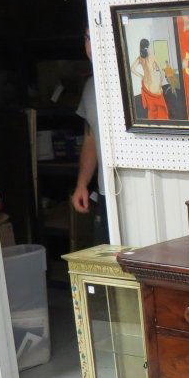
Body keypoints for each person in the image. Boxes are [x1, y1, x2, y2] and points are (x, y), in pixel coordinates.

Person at [72, 26, 109, 245]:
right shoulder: (90, 87)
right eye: (87, 38)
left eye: (95, 37)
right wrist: (82, 184)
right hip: (105, 193)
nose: (91, 46)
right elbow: (90, 137)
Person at [131, 38, 169, 119]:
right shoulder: (151, 57)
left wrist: (141, 76)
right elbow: (162, 72)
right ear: (147, 47)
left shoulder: (140, 58)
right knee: (161, 108)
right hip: (153, 84)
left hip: (145, 85)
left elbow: (132, 68)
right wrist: (160, 84)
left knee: (151, 109)